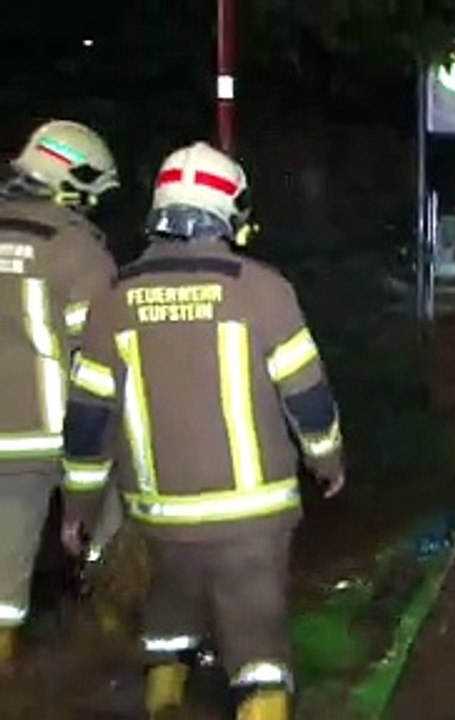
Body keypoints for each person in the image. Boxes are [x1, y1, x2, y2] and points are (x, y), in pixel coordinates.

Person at [59, 141, 346, 720]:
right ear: (229, 213)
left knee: (166, 633)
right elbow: (308, 398)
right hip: (252, 523)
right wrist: (328, 461)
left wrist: (79, 509)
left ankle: (163, 700)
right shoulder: (264, 290)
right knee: (259, 658)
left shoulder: (112, 302)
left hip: (158, 520)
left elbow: (88, 424)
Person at [0, 119, 119, 674]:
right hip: (62, 431)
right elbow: (100, 353)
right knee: (113, 537)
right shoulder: (75, 250)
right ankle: (117, 650)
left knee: (3, 581)